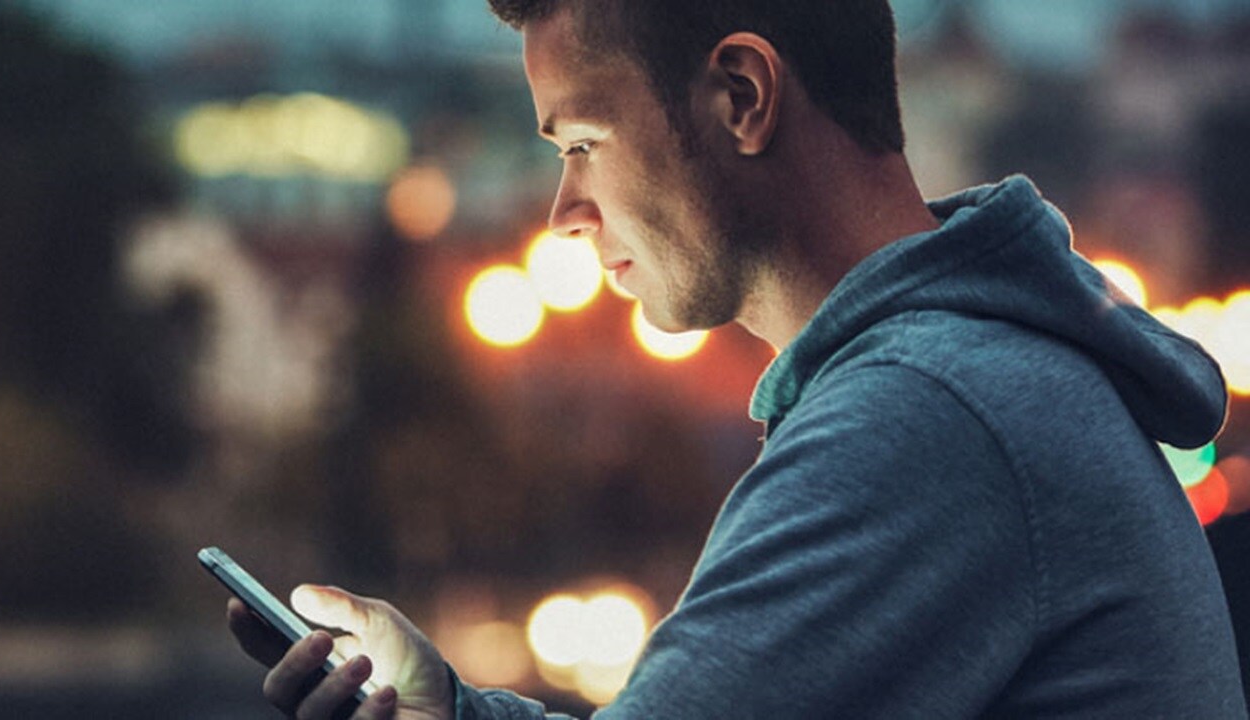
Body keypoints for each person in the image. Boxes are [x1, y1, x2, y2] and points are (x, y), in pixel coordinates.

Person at [226, 1, 1249, 717]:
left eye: (581, 142)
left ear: (741, 95)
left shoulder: (923, 418)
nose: (563, 214)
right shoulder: (973, 375)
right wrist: (443, 712)